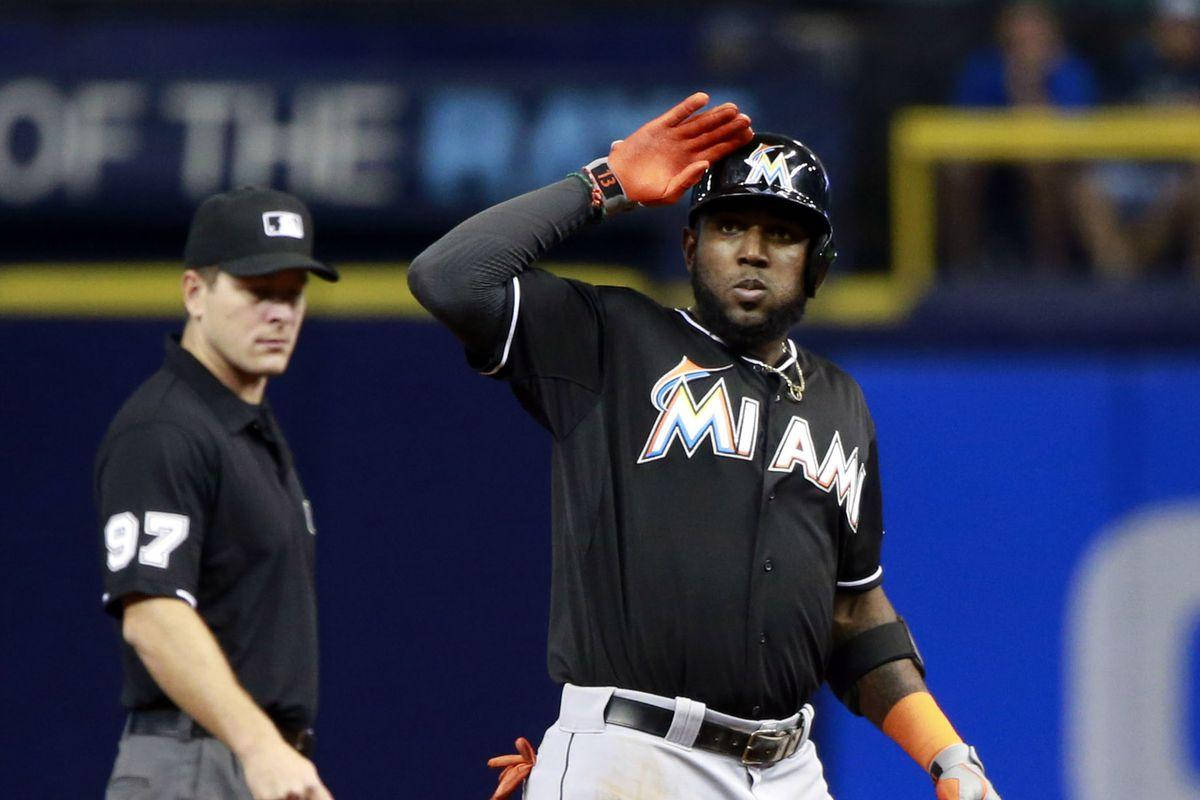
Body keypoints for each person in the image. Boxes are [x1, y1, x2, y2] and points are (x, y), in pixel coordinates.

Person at [408, 93, 1001, 799]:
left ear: (817, 263)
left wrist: (948, 757)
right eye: (729, 226)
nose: (752, 249)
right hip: (634, 756)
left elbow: (853, 613)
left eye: (781, 233)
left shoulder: (841, 402)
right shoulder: (612, 341)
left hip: (788, 769)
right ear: (691, 245)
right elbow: (449, 277)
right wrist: (603, 185)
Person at [95, 187, 337, 800]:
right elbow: (152, 615)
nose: (280, 312)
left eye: (292, 294)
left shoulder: (243, 424)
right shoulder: (164, 430)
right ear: (195, 293)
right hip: (194, 761)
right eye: (258, 292)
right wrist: (258, 745)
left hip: (247, 756)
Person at [942, 1, 1098, 276]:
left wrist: (1027, 85)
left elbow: (1074, 133)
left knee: (1042, 166)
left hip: (1053, 162)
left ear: (1052, 30)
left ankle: (1050, 268)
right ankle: (962, 268)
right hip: (991, 159)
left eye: (1035, 24)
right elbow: (962, 126)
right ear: (1004, 29)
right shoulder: (984, 66)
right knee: (958, 169)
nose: (1027, 32)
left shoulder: (1070, 69)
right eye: (1019, 24)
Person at [1073, 0, 1200, 279]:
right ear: (1158, 28)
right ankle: (1119, 283)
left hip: (1182, 170)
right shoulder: (1134, 62)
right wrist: (1161, 115)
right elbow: (1106, 119)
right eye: (1173, 26)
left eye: (1188, 28)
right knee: (1085, 187)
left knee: (1193, 187)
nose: (1180, 35)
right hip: (1137, 162)